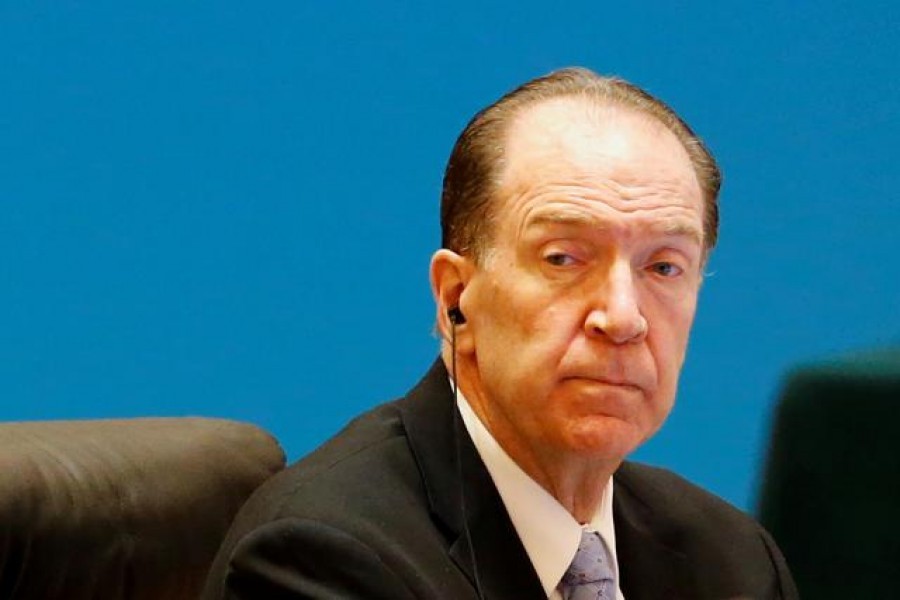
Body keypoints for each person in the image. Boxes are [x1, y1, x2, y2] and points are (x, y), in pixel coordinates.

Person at [202, 68, 798, 600]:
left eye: (664, 267)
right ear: (455, 299)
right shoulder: (322, 558)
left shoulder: (732, 561)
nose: (623, 318)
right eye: (563, 259)